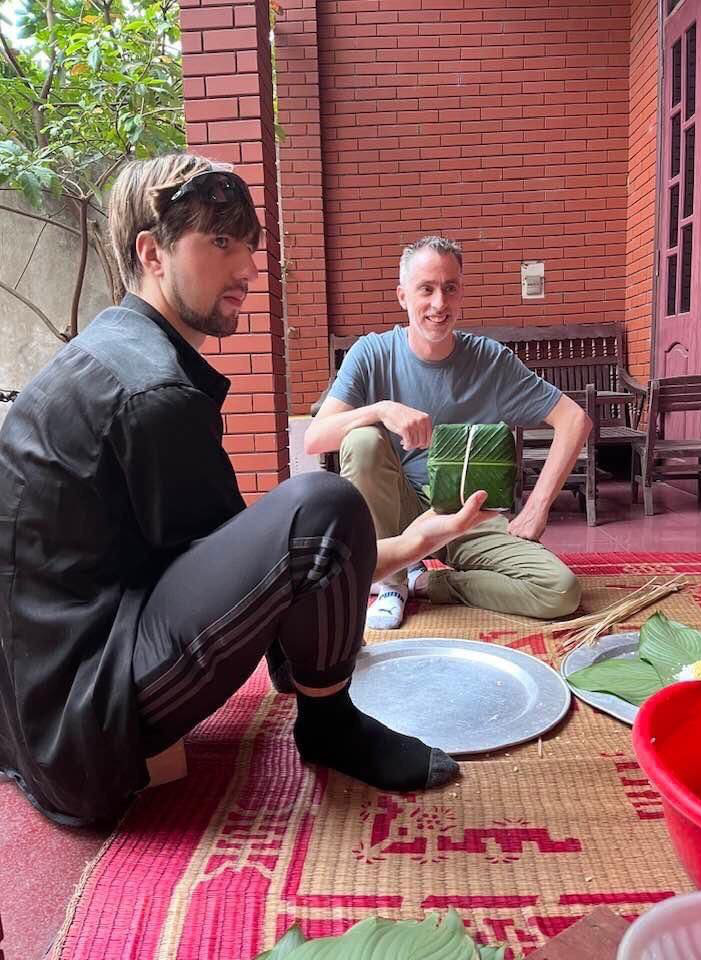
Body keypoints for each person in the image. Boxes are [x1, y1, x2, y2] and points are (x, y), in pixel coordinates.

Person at [0, 157, 494, 827]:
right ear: (152, 253)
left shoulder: (108, 351)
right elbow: (291, 561)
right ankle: (330, 724)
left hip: (36, 706)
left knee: (295, 524)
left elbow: (227, 558)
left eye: (250, 245)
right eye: (221, 241)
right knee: (324, 507)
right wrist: (409, 544)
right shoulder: (152, 391)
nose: (248, 268)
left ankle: (311, 683)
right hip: (85, 729)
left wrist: (407, 544)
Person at [305, 235, 593, 630]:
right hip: (397, 512)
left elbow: (575, 419)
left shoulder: (490, 360)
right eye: (426, 289)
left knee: (560, 591)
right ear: (403, 296)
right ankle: (392, 584)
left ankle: (427, 582)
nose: (439, 303)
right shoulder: (371, 354)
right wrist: (381, 410)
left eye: (450, 288)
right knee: (362, 438)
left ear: (461, 294)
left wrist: (537, 507)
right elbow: (315, 438)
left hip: (469, 512)